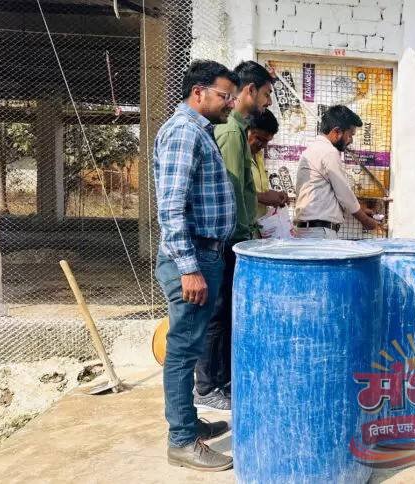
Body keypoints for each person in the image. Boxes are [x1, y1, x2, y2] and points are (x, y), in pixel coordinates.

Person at [154, 59, 238, 471]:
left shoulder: (198, 132)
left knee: (191, 344)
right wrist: (189, 268)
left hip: (205, 253)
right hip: (193, 256)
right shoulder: (184, 132)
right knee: (184, 349)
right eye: (225, 96)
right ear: (198, 92)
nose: (231, 104)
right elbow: (171, 208)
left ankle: (187, 422)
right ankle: (182, 441)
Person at [193, 60, 273, 412]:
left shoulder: (237, 130)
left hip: (237, 237)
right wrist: (238, 235)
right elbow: (228, 191)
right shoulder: (228, 132)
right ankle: (207, 386)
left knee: (226, 315)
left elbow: (242, 192)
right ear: (250, 90)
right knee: (216, 315)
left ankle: (222, 382)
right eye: (266, 94)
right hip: (225, 240)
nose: (267, 102)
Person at [294, 105, 380, 238]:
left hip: (311, 231)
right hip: (319, 233)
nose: (351, 140)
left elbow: (331, 193)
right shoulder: (329, 152)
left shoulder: (314, 149)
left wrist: (361, 208)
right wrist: (366, 221)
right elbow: (344, 194)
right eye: (350, 135)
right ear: (337, 132)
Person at [247, 109, 289, 217]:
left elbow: (259, 190)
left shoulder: (258, 155)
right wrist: (261, 198)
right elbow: (233, 190)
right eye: (260, 139)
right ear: (247, 130)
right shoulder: (236, 153)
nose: (264, 146)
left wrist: (276, 196)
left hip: (258, 224)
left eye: (267, 141)